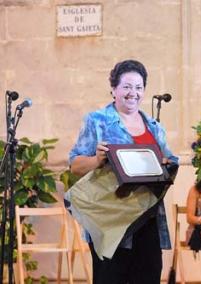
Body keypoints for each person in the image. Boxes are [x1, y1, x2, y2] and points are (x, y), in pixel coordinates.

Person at [68, 59, 178, 284]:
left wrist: (166, 163)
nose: (133, 93)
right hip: (109, 220)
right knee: (110, 277)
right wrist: (96, 160)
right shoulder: (97, 121)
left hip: (147, 218)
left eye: (139, 87)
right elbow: (74, 165)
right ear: (114, 89)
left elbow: (172, 161)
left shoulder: (154, 127)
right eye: (127, 86)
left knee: (149, 276)